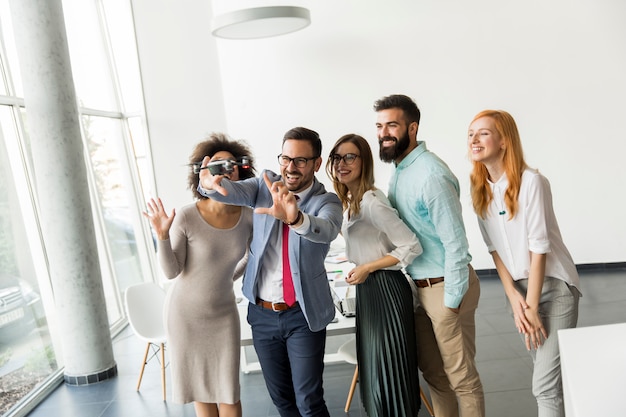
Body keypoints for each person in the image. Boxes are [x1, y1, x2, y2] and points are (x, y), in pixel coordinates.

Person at [197, 127, 343, 417]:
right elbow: (231, 192)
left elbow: (326, 230)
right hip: (262, 315)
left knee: (309, 402)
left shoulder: (327, 201)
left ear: (316, 163)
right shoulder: (265, 186)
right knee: (282, 400)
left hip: (302, 314)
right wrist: (210, 185)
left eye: (300, 160)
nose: (290, 167)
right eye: (285, 158)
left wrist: (296, 218)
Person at [374, 94, 485, 417]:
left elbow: (457, 245)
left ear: (412, 127)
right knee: (435, 376)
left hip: (446, 288)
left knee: (462, 379)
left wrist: (451, 302)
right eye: (380, 126)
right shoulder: (402, 169)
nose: (384, 133)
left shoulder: (430, 174)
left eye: (392, 125)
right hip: (420, 288)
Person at [467, 110, 581, 417]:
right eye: (471, 133)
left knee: (543, 385)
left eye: (483, 133)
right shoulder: (479, 189)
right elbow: (494, 251)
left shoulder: (532, 182)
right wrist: (515, 299)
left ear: (504, 141)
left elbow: (539, 248)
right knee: (547, 379)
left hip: (554, 288)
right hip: (518, 292)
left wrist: (530, 305)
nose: (474, 139)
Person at [143, 133, 256, 417]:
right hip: (185, 315)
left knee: (229, 392)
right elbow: (172, 271)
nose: (225, 169)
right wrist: (162, 236)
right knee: (200, 392)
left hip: (223, 315)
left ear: (241, 170)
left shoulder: (248, 216)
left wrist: (226, 278)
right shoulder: (186, 215)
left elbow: (249, 258)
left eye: (231, 164)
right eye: (216, 164)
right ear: (203, 172)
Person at [326, 133, 423, 416]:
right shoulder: (350, 200)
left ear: (363, 161)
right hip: (369, 290)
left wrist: (367, 267)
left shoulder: (371, 201)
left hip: (386, 290)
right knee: (375, 369)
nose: (341, 163)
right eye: (337, 157)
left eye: (349, 157)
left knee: (387, 371)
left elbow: (410, 245)